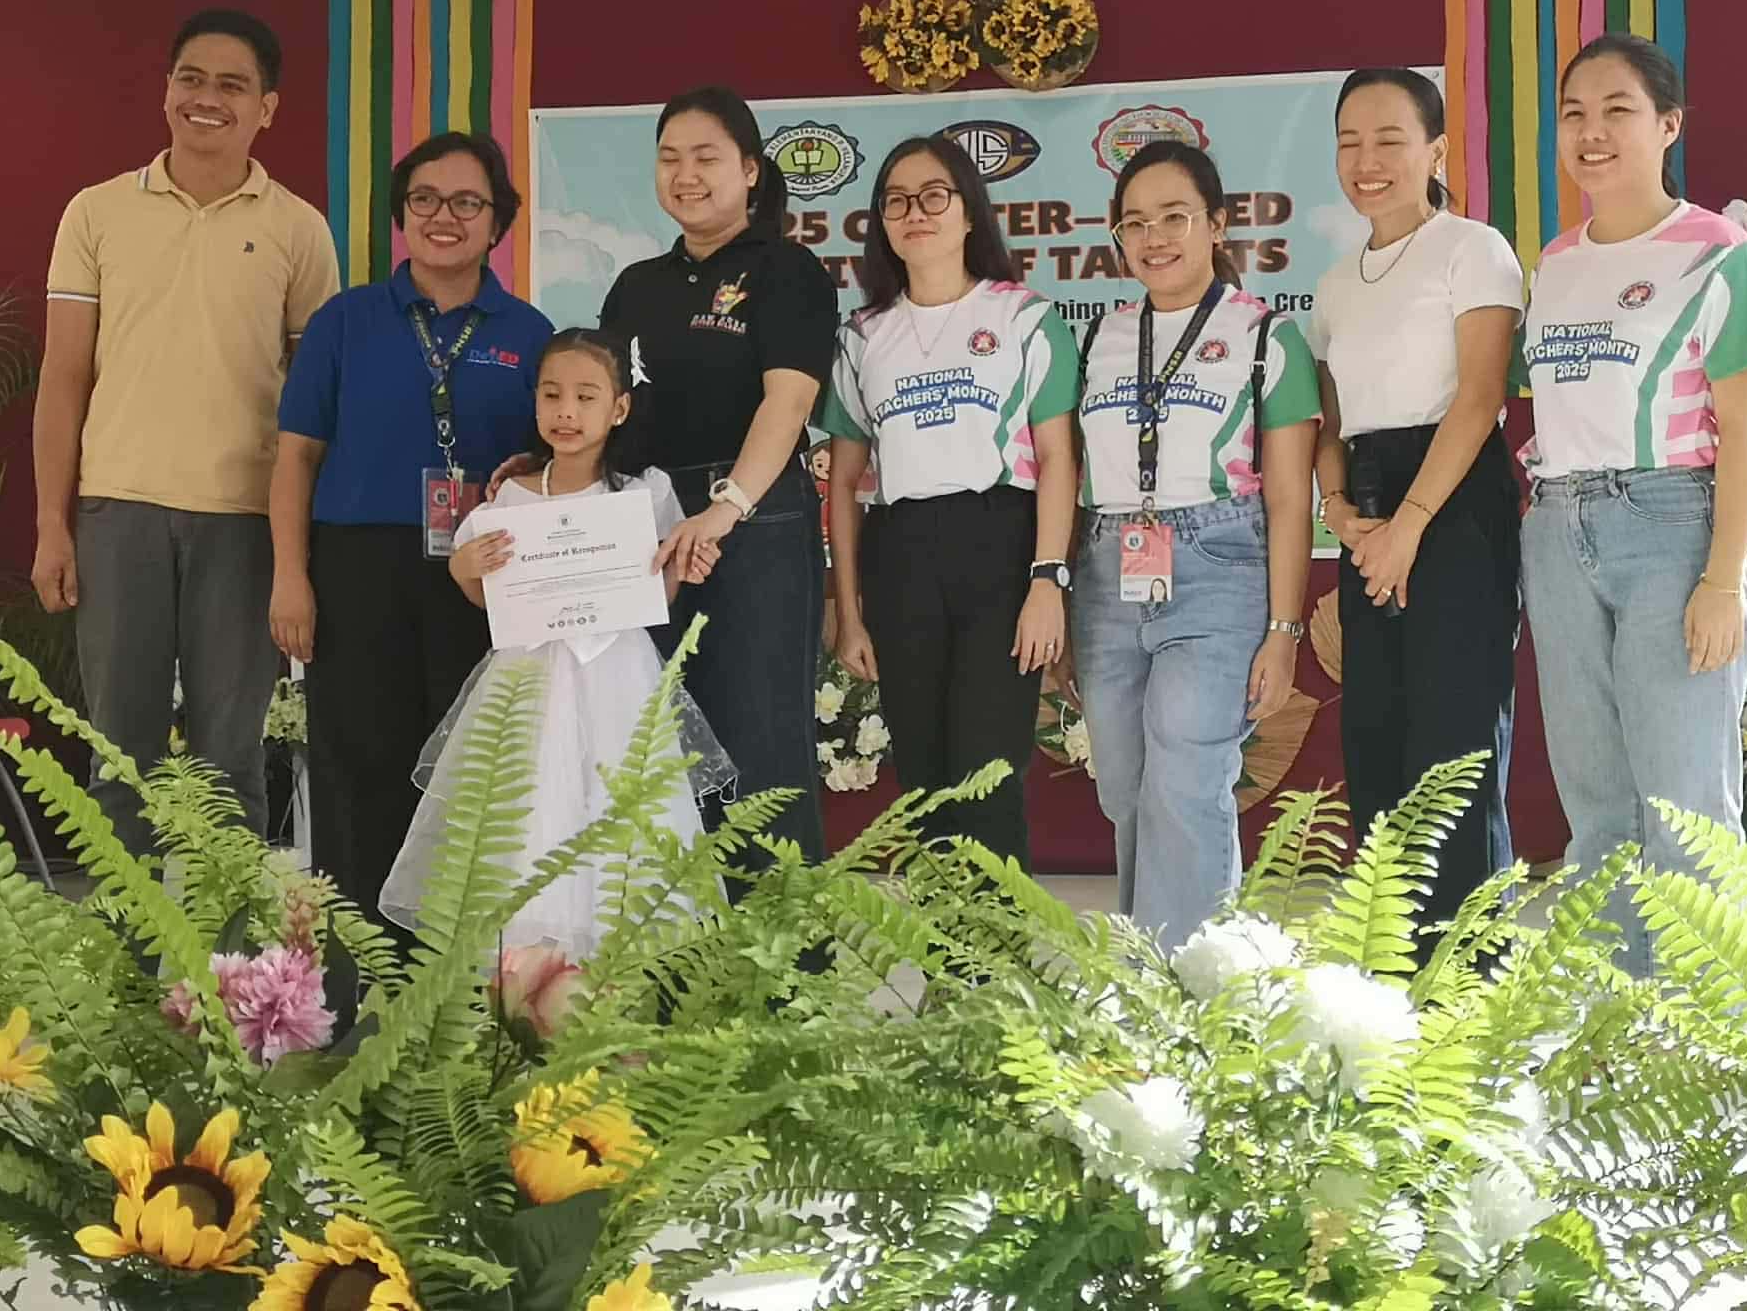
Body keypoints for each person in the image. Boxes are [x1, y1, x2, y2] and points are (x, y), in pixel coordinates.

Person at [495, 86, 835, 881]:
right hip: (641, 529)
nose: (686, 174)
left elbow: (787, 404)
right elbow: (606, 406)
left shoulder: (788, 271)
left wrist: (726, 509)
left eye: (707, 157)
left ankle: (789, 982)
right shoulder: (636, 286)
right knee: (651, 743)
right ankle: (672, 967)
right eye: (669, 158)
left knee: (758, 746)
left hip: (754, 527)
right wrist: (539, 468)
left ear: (750, 170)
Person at [33, 8, 338, 852]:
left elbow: (312, 414)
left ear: (267, 108)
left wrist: (294, 556)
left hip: (243, 524)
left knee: (230, 766)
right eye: (191, 79)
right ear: (167, 90)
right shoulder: (94, 213)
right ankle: (127, 981)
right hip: (114, 516)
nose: (207, 98)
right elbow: (64, 377)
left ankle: (234, 980)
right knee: (117, 763)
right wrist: (52, 524)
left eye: (232, 85)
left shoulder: (298, 230)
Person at [1520, 33, 1747, 976]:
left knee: (1684, 806)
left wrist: (1724, 577)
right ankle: (1617, 1027)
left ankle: (1706, 1037)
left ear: (1668, 126)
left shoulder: (1718, 253)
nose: (1592, 133)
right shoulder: (1555, 261)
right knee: (1596, 802)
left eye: (1617, 110)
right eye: (1574, 113)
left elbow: (1744, 428)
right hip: (1555, 531)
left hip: (1672, 527)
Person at [271, 132, 553, 926]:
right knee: (355, 769)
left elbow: (561, 450)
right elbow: (295, 459)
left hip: (482, 576)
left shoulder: (529, 334)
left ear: (498, 222)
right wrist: (290, 577)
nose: (445, 217)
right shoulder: (345, 323)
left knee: (470, 774)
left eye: (469, 202)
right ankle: (360, 977)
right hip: (357, 568)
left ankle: (460, 982)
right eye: (425, 199)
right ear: (402, 214)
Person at [381, 329, 722, 956]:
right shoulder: (511, 495)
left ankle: (608, 990)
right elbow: (487, 596)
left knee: (614, 805)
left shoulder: (645, 492)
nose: (567, 412)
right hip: (528, 680)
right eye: (552, 395)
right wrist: (464, 568)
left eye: (586, 397)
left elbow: (661, 597)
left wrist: (681, 568)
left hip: (616, 677)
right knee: (530, 806)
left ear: (618, 408)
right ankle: (531, 979)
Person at [1071, 140, 1319, 949]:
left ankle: (1191, 985)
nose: (1155, 237)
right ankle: (1162, 961)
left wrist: (1284, 633)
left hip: (1219, 564)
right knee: (1127, 784)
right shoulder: (1098, 337)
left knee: (1185, 774)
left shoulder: (1265, 338)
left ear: (1217, 225)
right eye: (1134, 223)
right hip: (1110, 570)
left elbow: (1289, 499)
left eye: (1175, 216)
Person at [823, 136, 1079, 866]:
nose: (916, 213)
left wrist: (1046, 580)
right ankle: (946, 969)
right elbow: (842, 483)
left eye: (935, 195)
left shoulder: (1025, 318)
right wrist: (849, 610)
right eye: (897, 200)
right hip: (899, 554)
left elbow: (1059, 458)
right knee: (926, 781)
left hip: (1001, 546)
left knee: (988, 776)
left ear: (970, 212)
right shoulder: (861, 336)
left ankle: (999, 970)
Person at [1310, 68, 1525, 935]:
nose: (1368, 160)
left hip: (1455, 500)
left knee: (1457, 744)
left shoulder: (1474, 248)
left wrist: (1413, 526)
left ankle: (1467, 976)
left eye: (1390, 139)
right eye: (1350, 141)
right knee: (1377, 736)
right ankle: (1391, 961)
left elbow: (1479, 399)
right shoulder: (1331, 285)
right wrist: (1337, 507)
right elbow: (1329, 420)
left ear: (1435, 149)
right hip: (1368, 507)